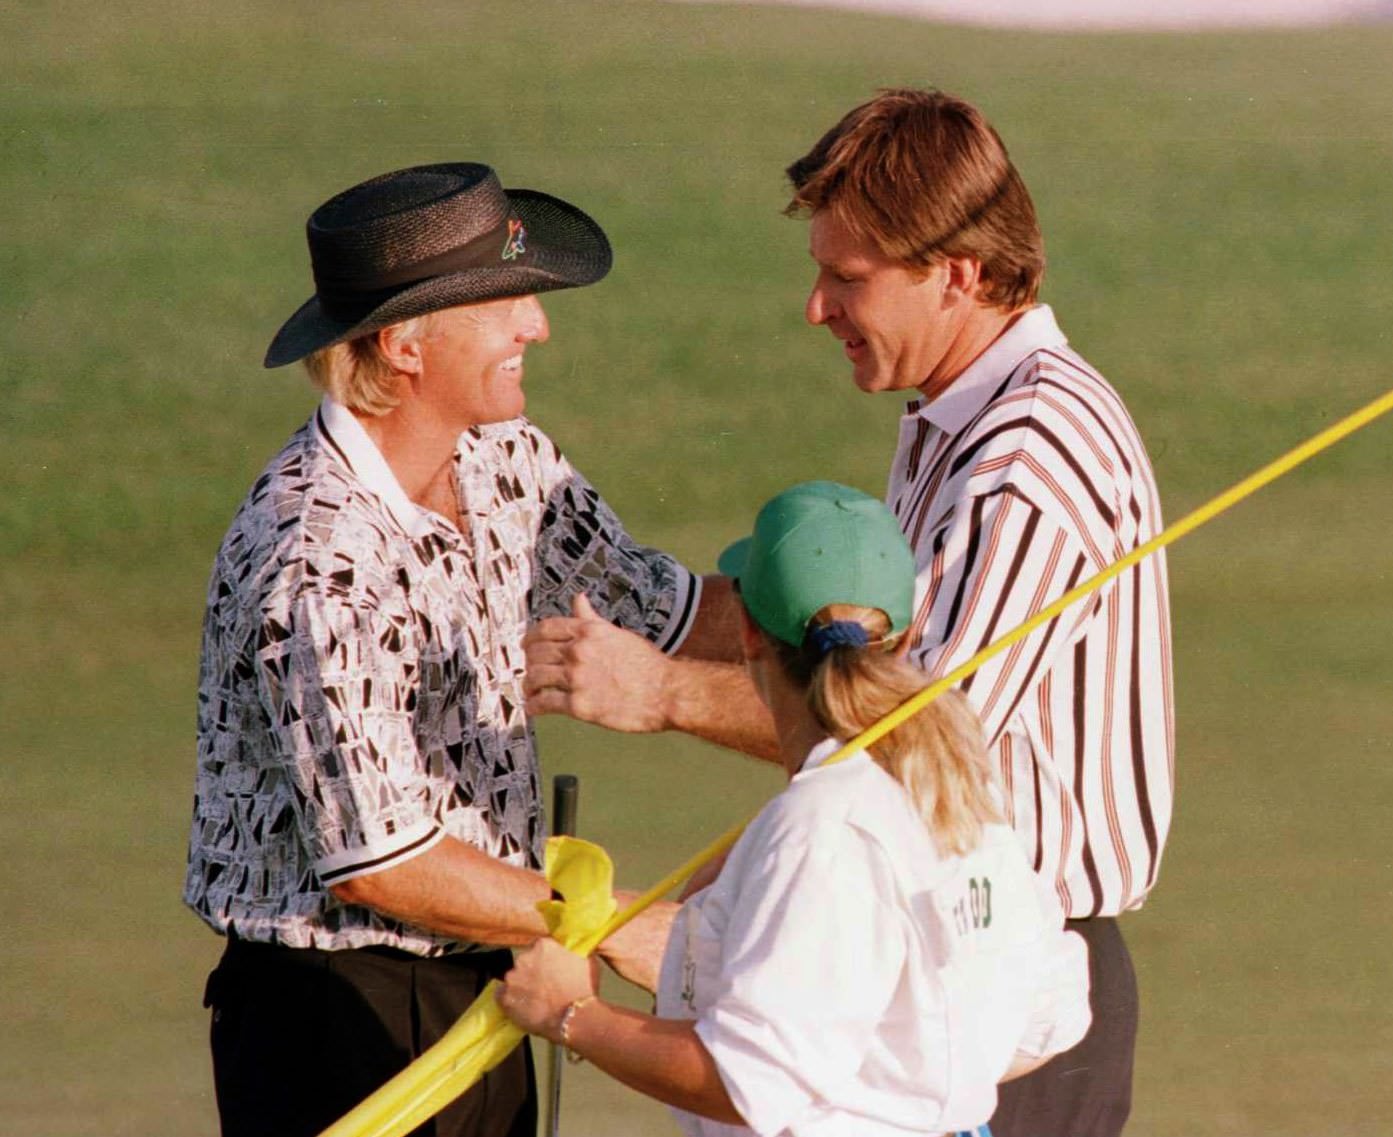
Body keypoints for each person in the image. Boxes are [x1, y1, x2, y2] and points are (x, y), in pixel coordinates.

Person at [523, 90, 1175, 1137]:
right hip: (945, 960)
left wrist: (658, 693)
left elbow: (914, 734)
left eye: (848, 278)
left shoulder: (1025, 459)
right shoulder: (959, 414)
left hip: (1008, 990)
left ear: (957, 274)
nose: (817, 307)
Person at [183, 162, 728, 1137]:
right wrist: (612, 922)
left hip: (487, 975)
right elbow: (379, 862)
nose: (537, 325)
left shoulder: (507, 460)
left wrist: (856, 635)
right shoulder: (318, 558)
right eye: (503, 301)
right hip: (339, 1022)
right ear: (404, 345)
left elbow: (670, 613)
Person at [498, 480, 1092, 1137]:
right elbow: (1044, 1014)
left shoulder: (823, 825)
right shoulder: (958, 786)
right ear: (905, 633)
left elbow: (750, 1081)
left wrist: (566, 1010)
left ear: (747, 631)